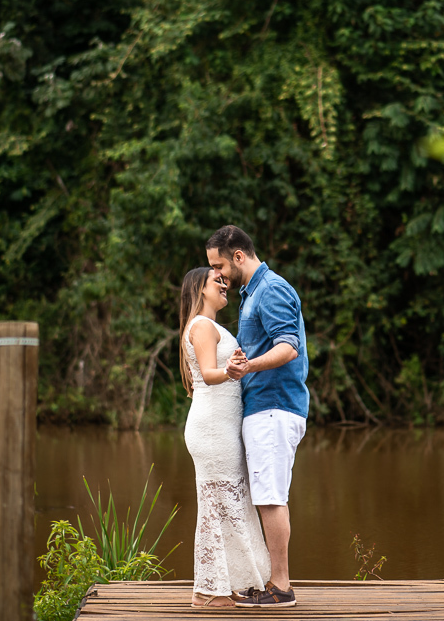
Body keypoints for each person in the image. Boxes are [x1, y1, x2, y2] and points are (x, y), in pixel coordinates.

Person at [206, 225, 309, 609]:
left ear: (238, 257)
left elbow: (288, 347)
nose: (217, 274)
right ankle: (272, 581)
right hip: (263, 408)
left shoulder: (272, 289)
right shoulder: (252, 294)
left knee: (270, 497)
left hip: (275, 407)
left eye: (218, 265)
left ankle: (280, 588)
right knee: (266, 496)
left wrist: (247, 368)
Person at [178, 266, 271, 608]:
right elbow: (207, 374)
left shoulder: (213, 326)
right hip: (212, 428)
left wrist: (235, 363)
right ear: (199, 289)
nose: (224, 286)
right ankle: (209, 591)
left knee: (228, 504)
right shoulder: (202, 325)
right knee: (219, 506)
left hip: (222, 426)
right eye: (216, 282)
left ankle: (225, 584)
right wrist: (232, 370)